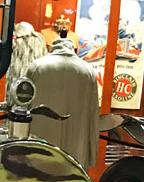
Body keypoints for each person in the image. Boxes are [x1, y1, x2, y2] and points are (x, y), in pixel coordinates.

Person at [24, 37, 100, 169]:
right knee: (72, 177)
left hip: (40, 144)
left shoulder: (37, 67)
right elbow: (93, 115)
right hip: (76, 148)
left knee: (38, 174)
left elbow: (23, 106)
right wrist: (92, 155)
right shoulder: (88, 71)